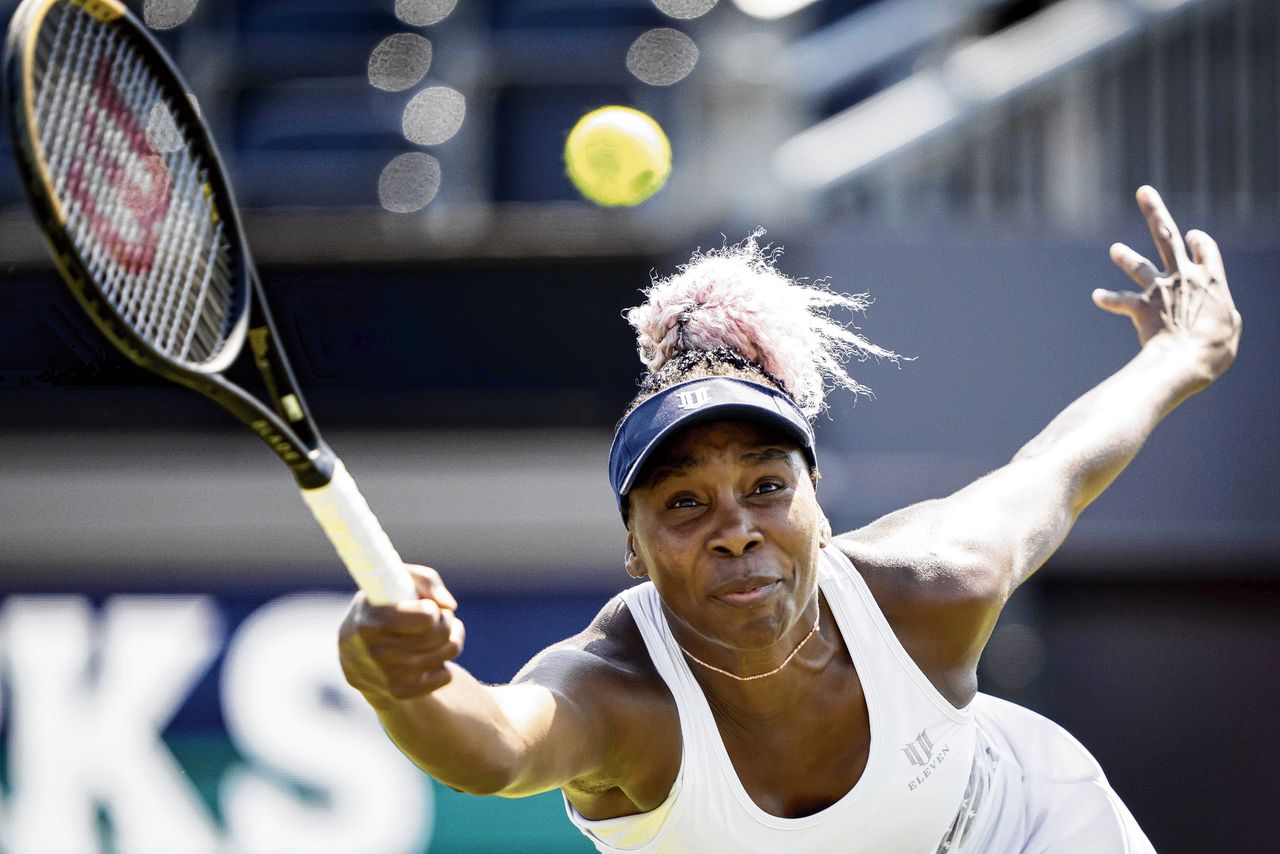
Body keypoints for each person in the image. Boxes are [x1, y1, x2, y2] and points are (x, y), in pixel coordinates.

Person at [339, 186, 1240, 852]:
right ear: (634, 552)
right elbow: (494, 748)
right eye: (685, 503)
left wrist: (1182, 355)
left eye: (767, 486)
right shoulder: (617, 694)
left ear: (817, 503)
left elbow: (1056, 470)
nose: (735, 527)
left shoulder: (932, 586)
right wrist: (400, 681)